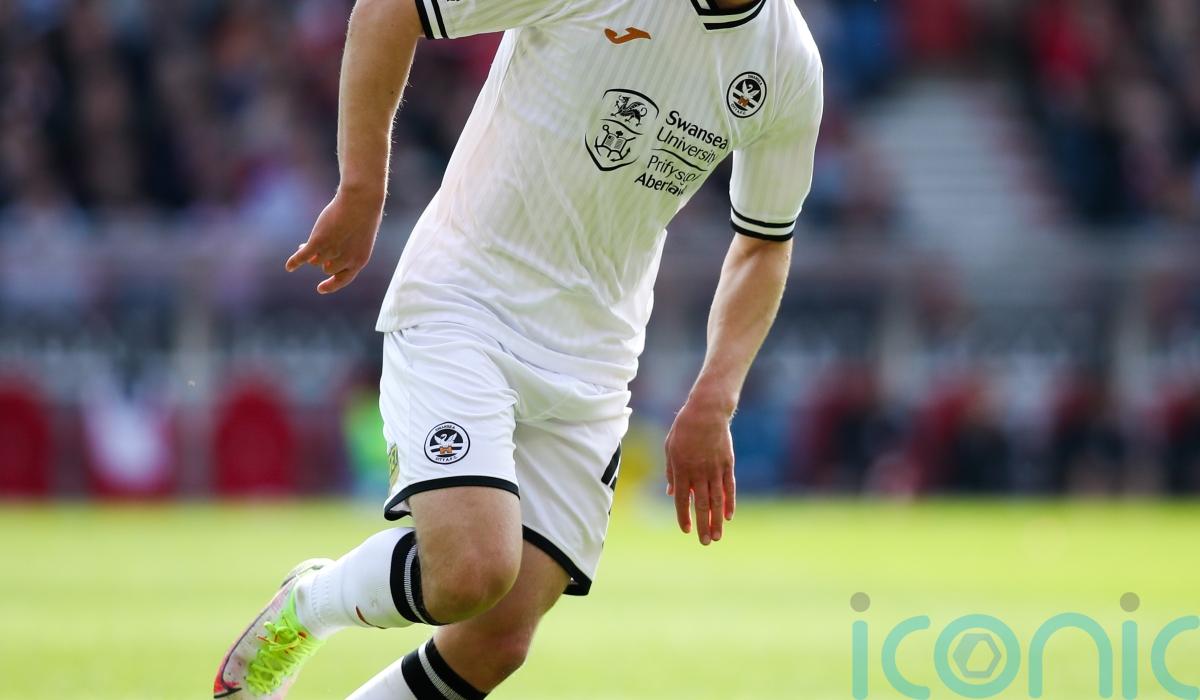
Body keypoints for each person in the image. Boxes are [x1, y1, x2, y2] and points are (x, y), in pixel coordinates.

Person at [213, 0, 823, 697]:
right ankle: (309, 606)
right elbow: (389, 9)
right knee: (470, 572)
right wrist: (361, 186)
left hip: (593, 359)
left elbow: (764, 243)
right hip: (466, 303)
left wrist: (715, 397)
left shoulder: (788, 63)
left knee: (497, 640)